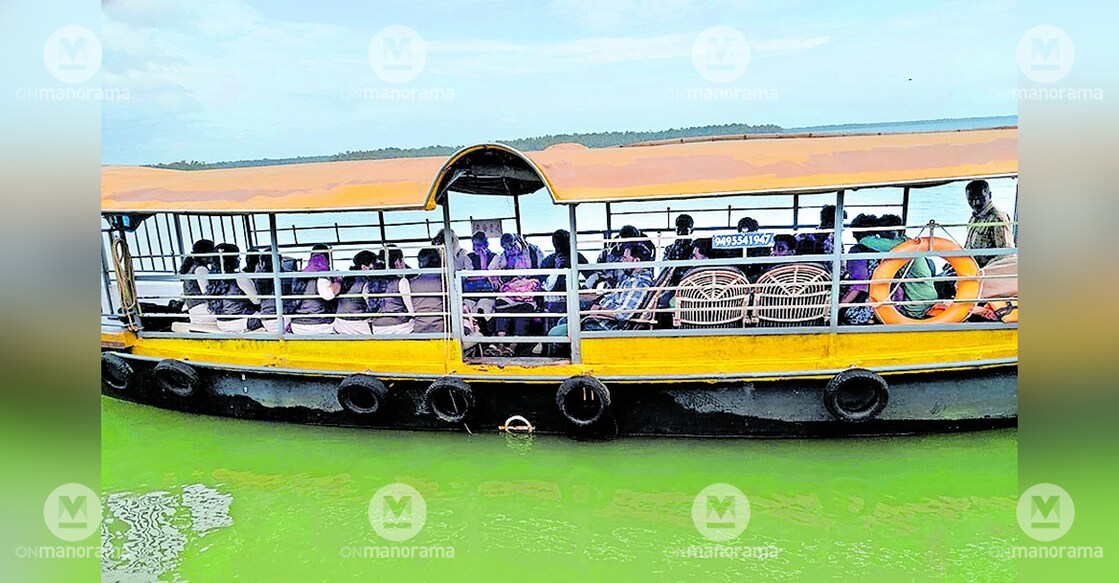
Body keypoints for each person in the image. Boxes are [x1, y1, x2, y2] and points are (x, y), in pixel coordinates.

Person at [486, 234, 544, 356]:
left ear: (518, 241)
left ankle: (513, 345)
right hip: (511, 289)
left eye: (513, 245)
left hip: (529, 289)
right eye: (507, 248)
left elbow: (543, 270)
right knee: (501, 305)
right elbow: (496, 274)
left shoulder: (534, 251)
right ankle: (500, 344)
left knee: (524, 309)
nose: (511, 249)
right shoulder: (505, 257)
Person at [859, 230, 937, 319]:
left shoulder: (901, 245)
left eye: (883, 233)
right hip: (927, 295)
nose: (883, 238)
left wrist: (863, 236)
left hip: (917, 300)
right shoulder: (911, 245)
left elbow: (869, 242)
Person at [838, 214, 882, 325]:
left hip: (868, 303)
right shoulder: (883, 249)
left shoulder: (857, 252)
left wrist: (838, 306)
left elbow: (859, 286)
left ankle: (867, 320)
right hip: (886, 300)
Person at [541, 229, 589, 330]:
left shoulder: (577, 257)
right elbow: (546, 285)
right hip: (555, 299)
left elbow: (592, 275)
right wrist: (557, 269)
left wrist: (584, 289)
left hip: (572, 296)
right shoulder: (549, 260)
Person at [210, 243, 262, 333]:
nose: (240, 259)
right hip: (244, 321)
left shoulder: (213, 279)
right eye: (237, 257)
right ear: (232, 259)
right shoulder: (239, 277)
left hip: (222, 323)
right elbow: (257, 301)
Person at [290, 244, 340, 335]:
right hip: (318, 326)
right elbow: (328, 294)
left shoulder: (298, 276)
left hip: (297, 325)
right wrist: (338, 283)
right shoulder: (321, 277)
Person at [964, 180, 1013, 267]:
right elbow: (967, 247)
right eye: (971, 199)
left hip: (984, 272)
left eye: (979, 198)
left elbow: (1006, 254)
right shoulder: (973, 218)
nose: (976, 203)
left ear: (989, 195)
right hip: (969, 267)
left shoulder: (997, 219)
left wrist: (985, 270)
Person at [369, 245, 416, 334]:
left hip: (377, 329)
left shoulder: (371, 282)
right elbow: (412, 311)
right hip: (400, 327)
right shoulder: (401, 282)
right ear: (397, 262)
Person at [332, 250, 378, 335]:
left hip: (339, 323)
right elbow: (371, 306)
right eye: (373, 266)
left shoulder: (345, 279)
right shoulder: (366, 283)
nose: (375, 269)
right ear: (364, 267)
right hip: (358, 326)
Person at [410, 247, 449, 334]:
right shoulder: (444, 281)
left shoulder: (412, 283)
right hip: (442, 328)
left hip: (419, 328)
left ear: (420, 263)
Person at [179, 239, 217, 325]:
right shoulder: (201, 269)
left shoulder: (192, 266)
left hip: (195, 310)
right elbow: (207, 292)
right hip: (203, 310)